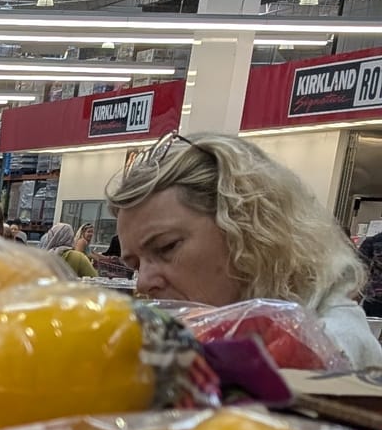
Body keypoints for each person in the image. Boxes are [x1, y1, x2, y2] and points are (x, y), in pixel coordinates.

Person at [108, 132, 382, 367]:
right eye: (135, 265)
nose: (143, 282)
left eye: (166, 247)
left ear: (247, 228)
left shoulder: (332, 348)